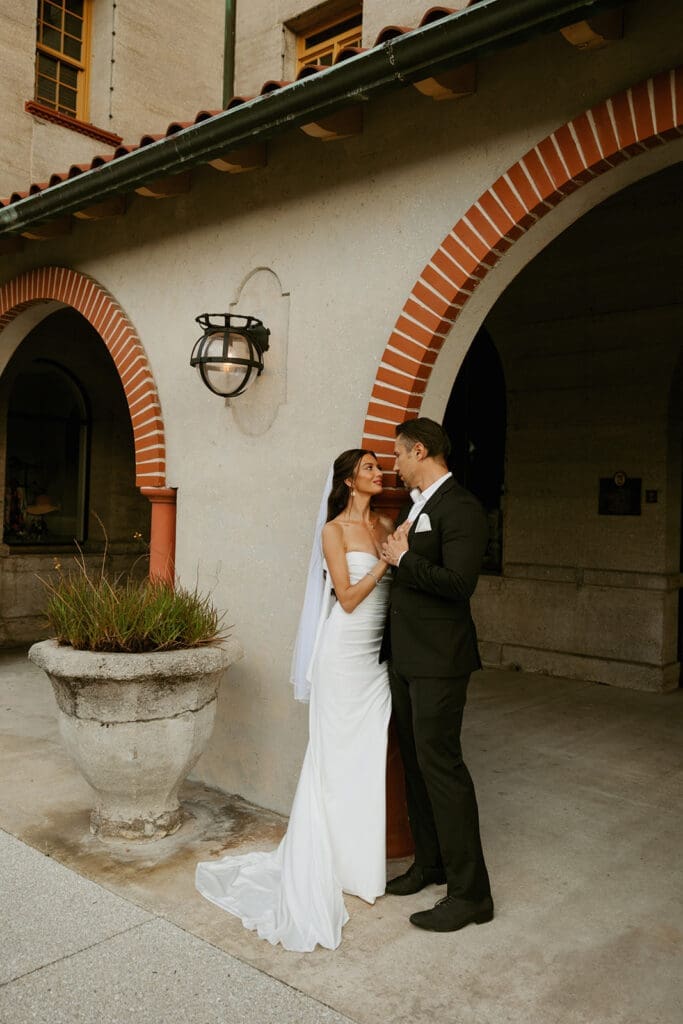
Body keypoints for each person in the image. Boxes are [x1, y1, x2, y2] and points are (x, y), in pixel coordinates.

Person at [195, 449, 393, 952]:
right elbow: (346, 599)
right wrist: (386, 565)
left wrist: (396, 556)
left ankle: (357, 865)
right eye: (369, 467)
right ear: (349, 481)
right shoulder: (333, 532)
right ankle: (323, 861)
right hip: (343, 652)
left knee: (366, 757)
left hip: (376, 660)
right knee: (331, 757)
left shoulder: (387, 523)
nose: (379, 473)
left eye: (378, 466)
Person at [381, 417, 493, 933]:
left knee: (443, 769)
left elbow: (458, 583)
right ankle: (431, 863)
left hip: (441, 663)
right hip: (406, 659)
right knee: (417, 767)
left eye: (399, 455)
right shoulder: (415, 506)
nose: (395, 465)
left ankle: (471, 895)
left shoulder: (462, 508)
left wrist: (403, 559)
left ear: (420, 451)